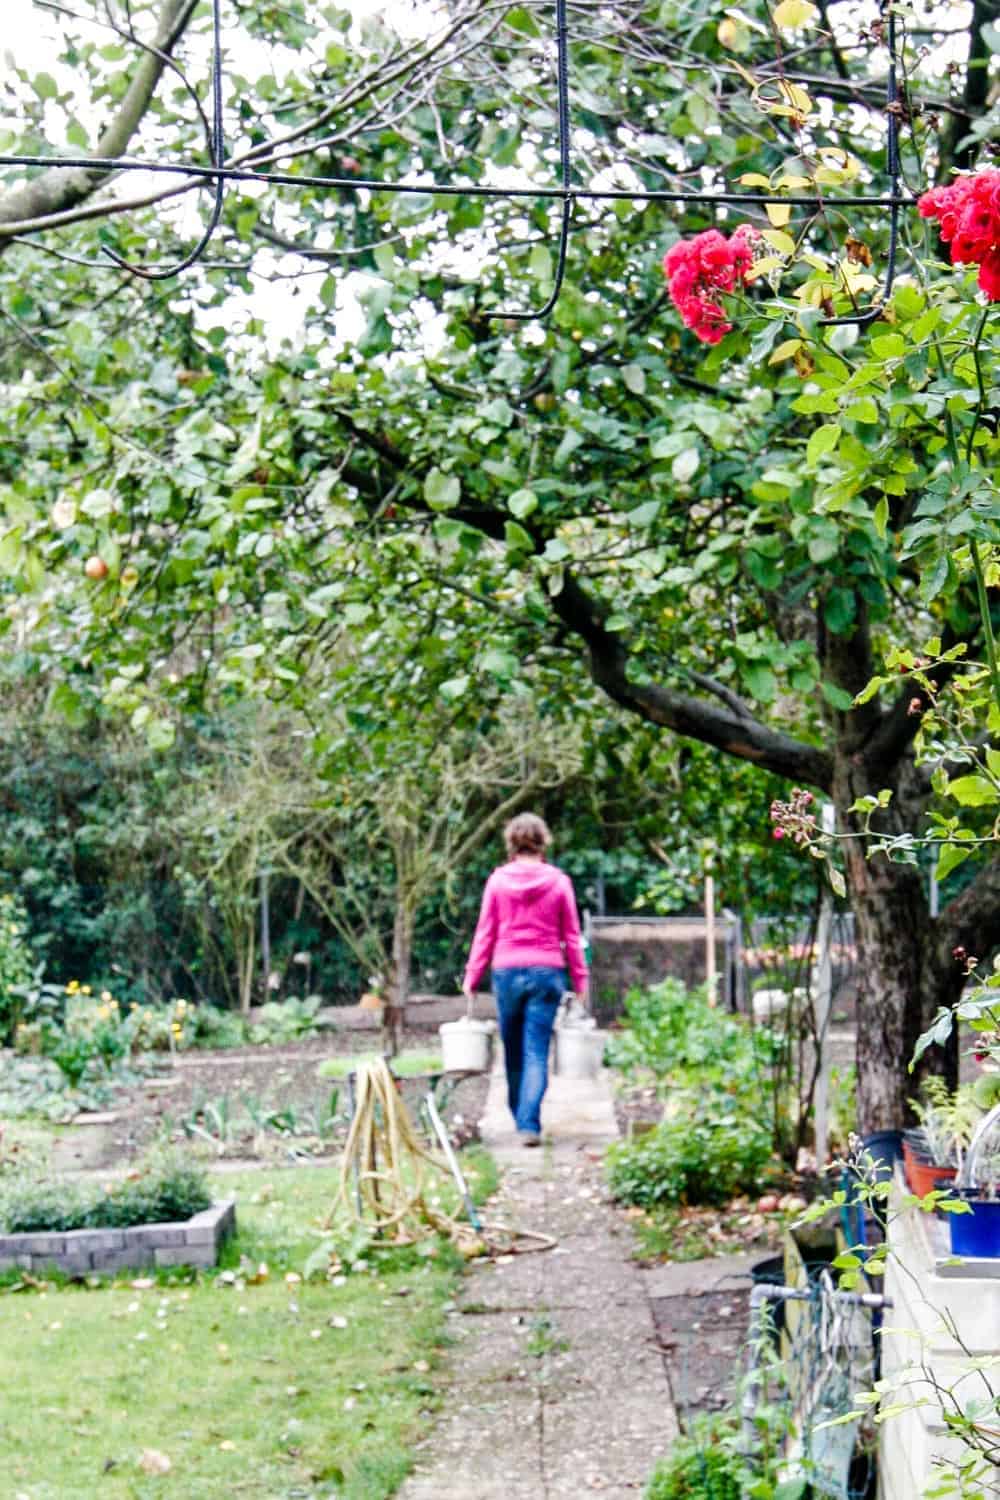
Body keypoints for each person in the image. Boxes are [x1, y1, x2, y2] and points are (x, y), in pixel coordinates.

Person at [462, 812, 588, 1146]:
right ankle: (528, 1122)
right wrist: (580, 981)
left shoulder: (498, 881)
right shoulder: (559, 882)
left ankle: (521, 1115)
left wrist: (472, 977)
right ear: (542, 841)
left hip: (507, 972)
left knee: (513, 1049)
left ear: (512, 842)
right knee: (536, 1050)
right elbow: (571, 937)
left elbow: (485, 933)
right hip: (546, 973)